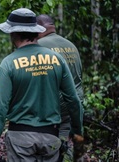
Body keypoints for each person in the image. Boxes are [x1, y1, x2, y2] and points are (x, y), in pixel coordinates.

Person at [0, 8, 83, 162]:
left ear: (13, 33)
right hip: (52, 137)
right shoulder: (57, 59)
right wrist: (76, 130)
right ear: (35, 32)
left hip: (20, 140)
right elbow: (73, 100)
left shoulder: (8, 63)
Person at [37, 14, 84, 161]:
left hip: (51, 110)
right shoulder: (71, 46)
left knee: (48, 151)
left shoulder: (38, 47)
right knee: (68, 147)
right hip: (73, 107)